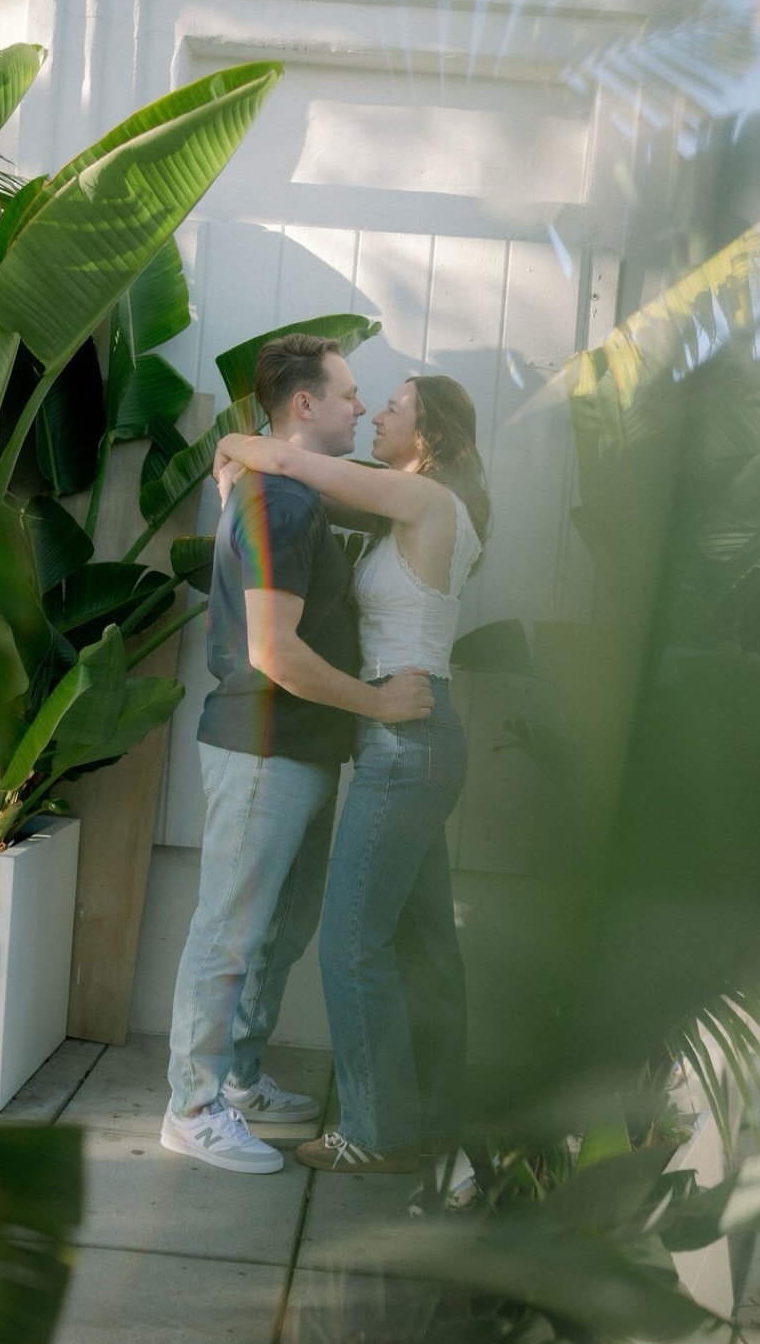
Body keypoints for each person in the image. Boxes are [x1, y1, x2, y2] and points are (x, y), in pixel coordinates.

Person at [160, 335, 435, 1175]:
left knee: (279, 930)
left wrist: (240, 442)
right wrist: (382, 703)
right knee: (231, 934)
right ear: (303, 405)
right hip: (264, 745)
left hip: (306, 749)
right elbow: (275, 652)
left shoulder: (298, 492)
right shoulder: (275, 502)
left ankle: (237, 1079)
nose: (362, 406)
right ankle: (192, 1106)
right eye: (349, 394)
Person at [214, 372, 490, 1174]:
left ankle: (371, 1133)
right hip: (417, 737)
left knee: (350, 944)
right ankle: (431, 1116)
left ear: (428, 435)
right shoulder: (409, 506)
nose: (375, 415)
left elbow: (295, 467)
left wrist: (231, 443)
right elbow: (305, 489)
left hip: (406, 740)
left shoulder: (428, 502)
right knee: (424, 942)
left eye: (394, 409)